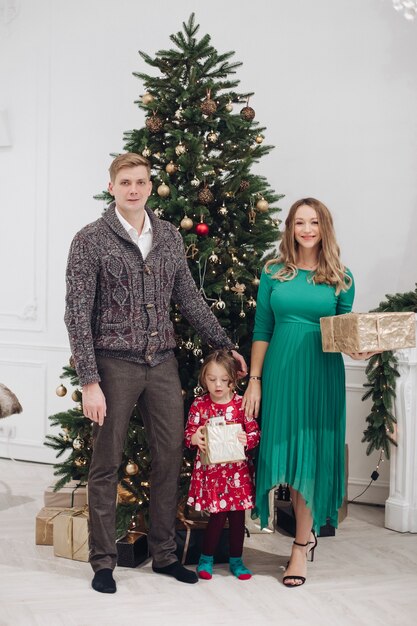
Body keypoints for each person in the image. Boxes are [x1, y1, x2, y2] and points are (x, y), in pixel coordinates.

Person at [64, 153, 247, 593]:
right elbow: (76, 314)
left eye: (141, 181)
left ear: (150, 186)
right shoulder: (89, 240)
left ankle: (165, 555)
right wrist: (90, 380)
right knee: (106, 463)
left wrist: (224, 345)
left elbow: (189, 297)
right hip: (113, 364)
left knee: (169, 457)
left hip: (161, 362)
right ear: (112, 187)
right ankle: (104, 562)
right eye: (125, 181)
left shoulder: (166, 236)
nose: (133, 189)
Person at [242, 197, 377, 587]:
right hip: (282, 374)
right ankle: (302, 533)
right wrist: (255, 380)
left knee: (309, 459)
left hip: (321, 376)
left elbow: (342, 335)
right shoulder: (273, 272)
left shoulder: (341, 277)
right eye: (299, 222)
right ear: (290, 228)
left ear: (324, 228)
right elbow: (262, 329)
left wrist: (360, 348)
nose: (306, 229)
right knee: (283, 453)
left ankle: (300, 547)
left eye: (313, 222)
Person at [184, 350, 260, 580]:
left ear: (234, 380)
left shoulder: (240, 404)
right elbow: (188, 433)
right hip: (213, 474)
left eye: (224, 380)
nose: (218, 385)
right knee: (216, 517)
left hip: (237, 474)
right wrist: (195, 438)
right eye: (212, 379)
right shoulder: (200, 405)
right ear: (203, 378)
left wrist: (248, 439)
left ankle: (236, 560)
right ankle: (206, 559)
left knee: (237, 518)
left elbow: (255, 432)